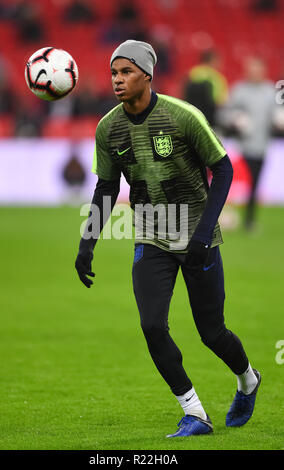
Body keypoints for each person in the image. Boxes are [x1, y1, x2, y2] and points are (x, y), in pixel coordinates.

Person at [75, 40, 261, 437]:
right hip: (151, 236)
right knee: (152, 325)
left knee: (212, 333)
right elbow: (107, 187)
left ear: (147, 74)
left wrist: (203, 232)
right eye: (113, 73)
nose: (117, 80)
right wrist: (86, 243)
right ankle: (195, 413)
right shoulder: (108, 127)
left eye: (125, 72)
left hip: (198, 239)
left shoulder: (182, 117)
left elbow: (223, 171)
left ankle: (248, 379)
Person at [224, 56, 275, 230]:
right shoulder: (239, 90)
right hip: (240, 147)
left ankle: (249, 221)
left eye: (257, 70)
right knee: (231, 184)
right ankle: (222, 216)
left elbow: (276, 114)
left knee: (254, 186)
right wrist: (236, 119)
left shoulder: (270, 91)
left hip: (261, 146)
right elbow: (225, 112)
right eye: (251, 70)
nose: (254, 73)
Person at [183, 49, 228, 126]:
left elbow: (184, 94)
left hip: (191, 117)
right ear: (213, 61)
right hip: (209, 120)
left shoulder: (192, 73)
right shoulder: (217, 78)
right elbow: (220, 102)